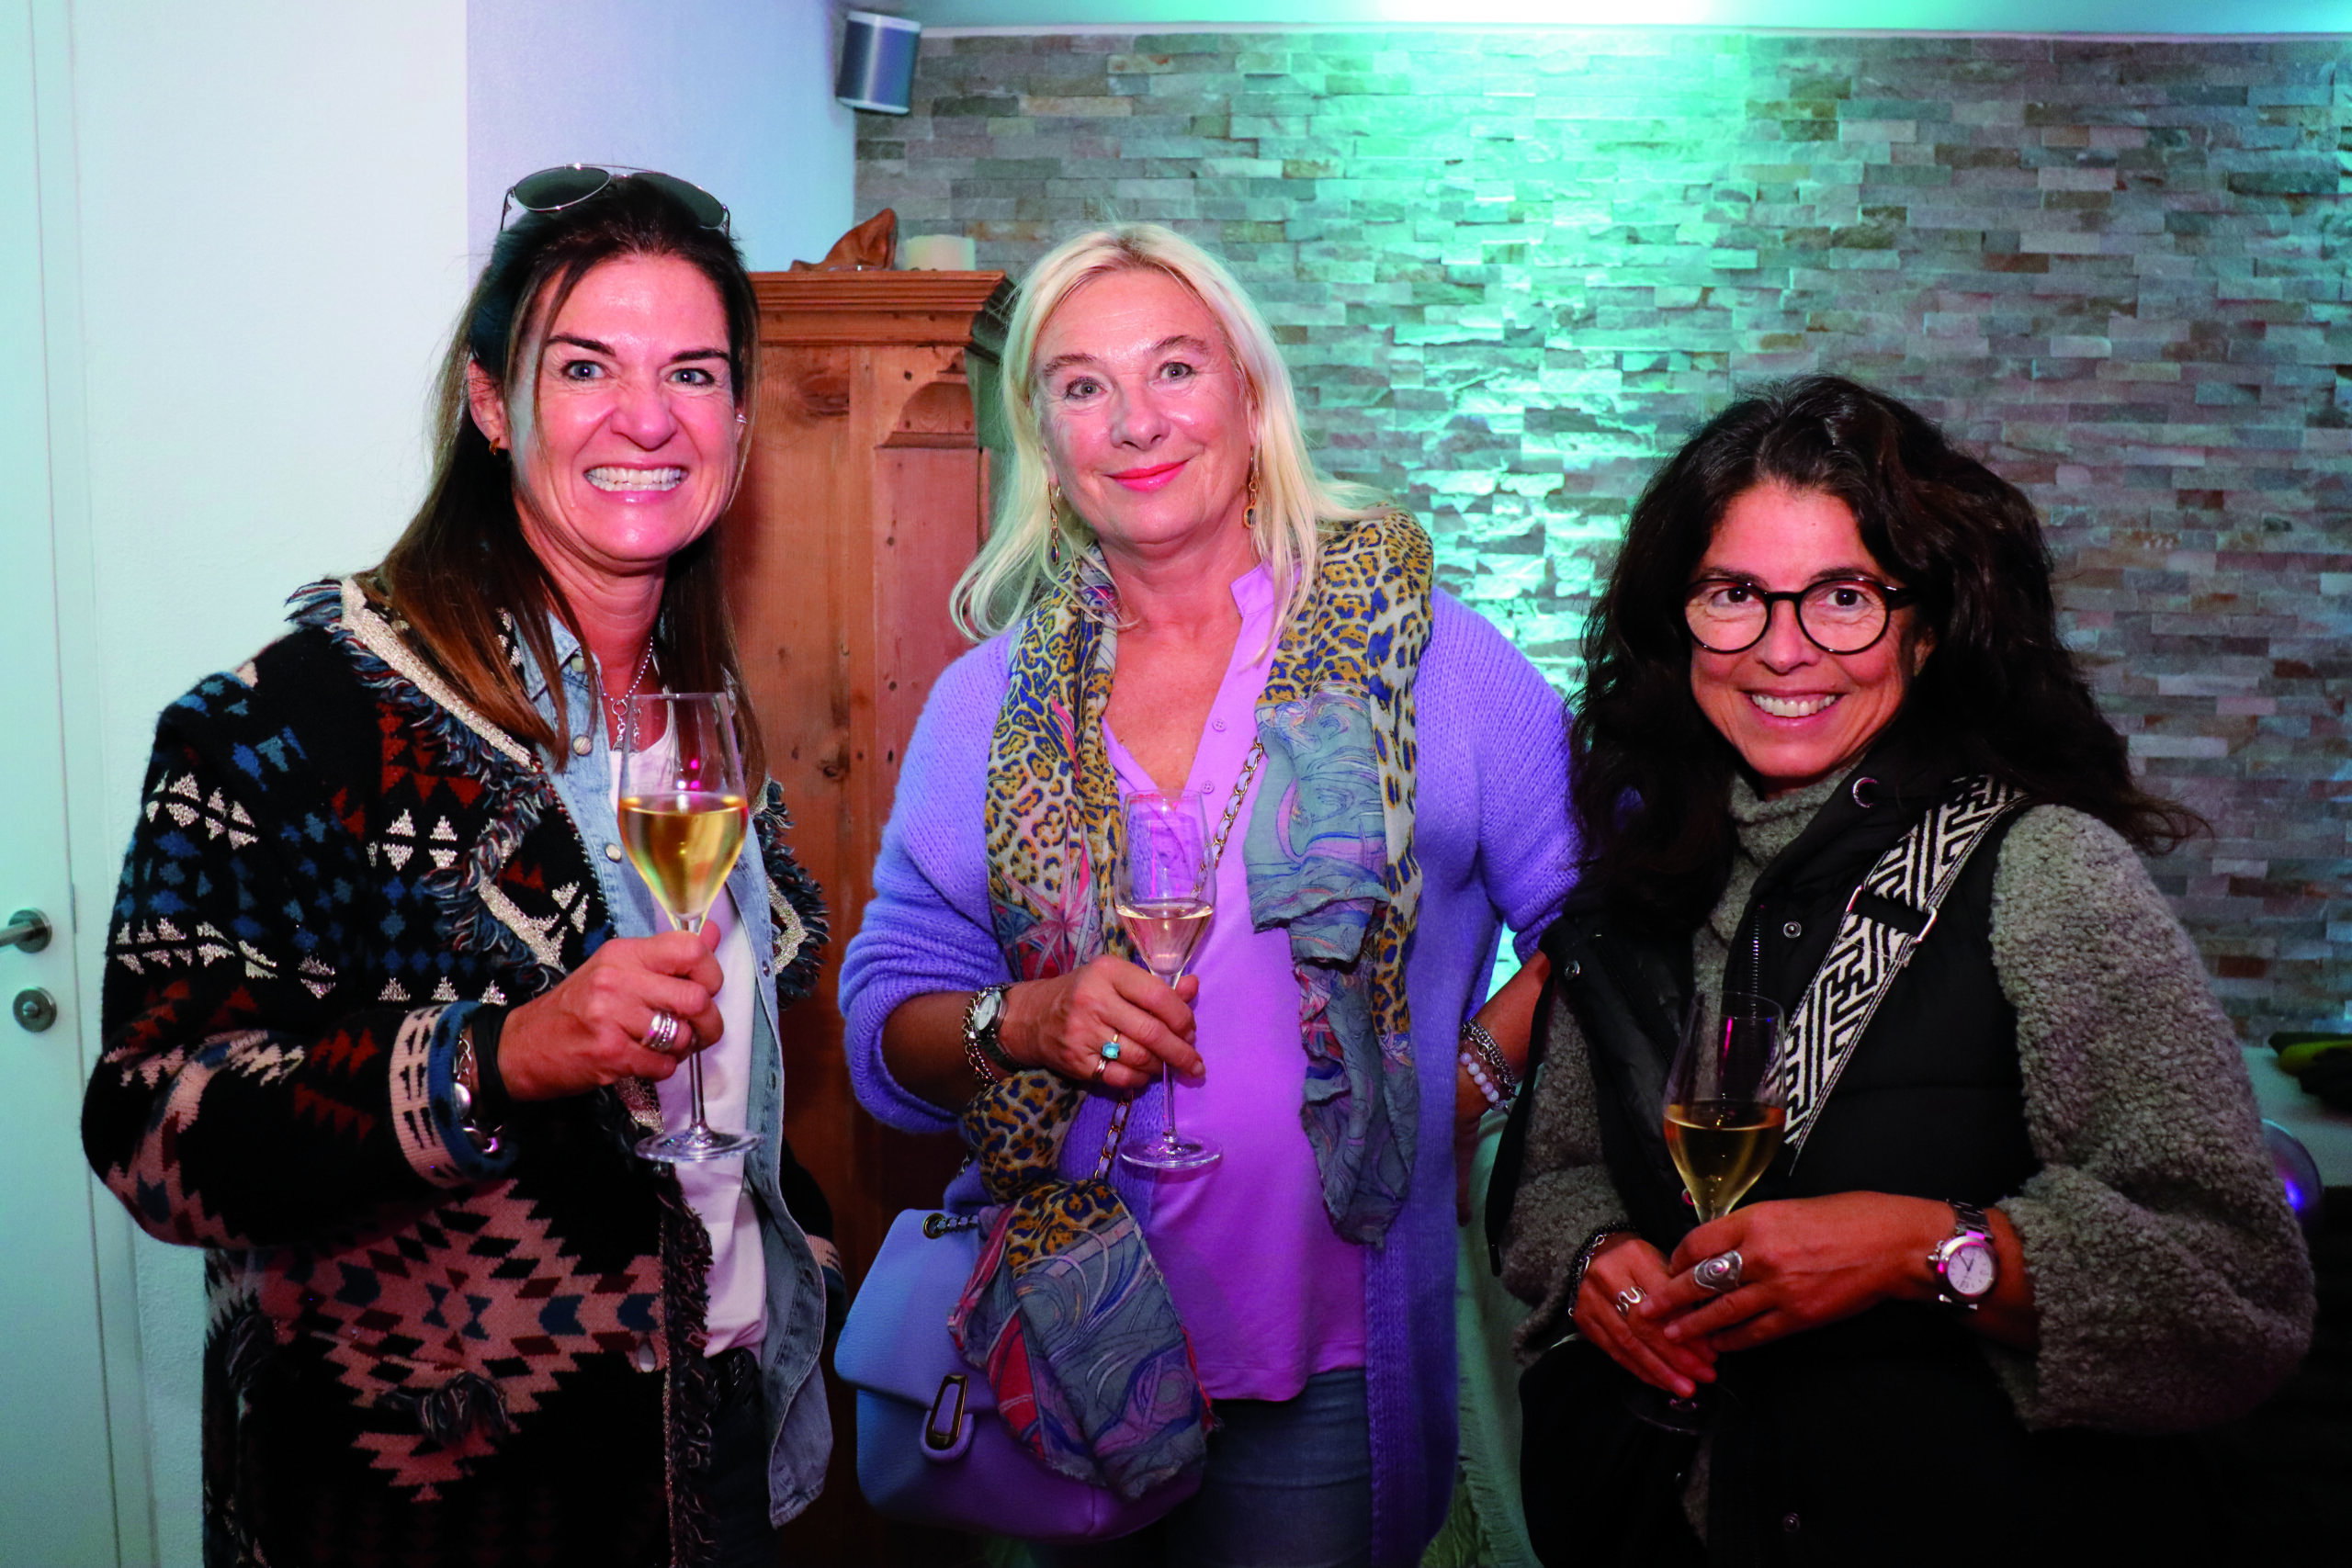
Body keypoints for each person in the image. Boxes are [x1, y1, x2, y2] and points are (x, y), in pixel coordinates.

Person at [82, 167, 837, 1568]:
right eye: (586, 367)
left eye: (693, 370)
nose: (648, 415)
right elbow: (148, 1130)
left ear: (738, 419)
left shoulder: (700, 720)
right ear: (492, 402)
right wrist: (492, 1058)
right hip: (437, 1507)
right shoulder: (279, 726)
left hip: (717, 1446)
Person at [838, 223, 1575, 1568]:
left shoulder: (1434, 662)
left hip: (1321, 1356)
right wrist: (1029, 1017)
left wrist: (1462, 1075)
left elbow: (1601, 927)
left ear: (1250, 393)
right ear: (1045, 445)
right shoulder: (982, 703)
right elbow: (887, 1017)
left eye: (1174, 367)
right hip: (1052, 1348)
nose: (1134, 420)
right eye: (1081, 386)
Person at [1496, 374, 2315, 1562]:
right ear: (1681, 619)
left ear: (1926, 626)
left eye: (1843, 597)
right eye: (1735, 594)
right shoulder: (1641, 884)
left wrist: (1923, 1249)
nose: (1784, 650)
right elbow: (1554, 1177)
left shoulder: (2049, 877)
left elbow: (2238, 1295)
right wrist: (1594, 1262)